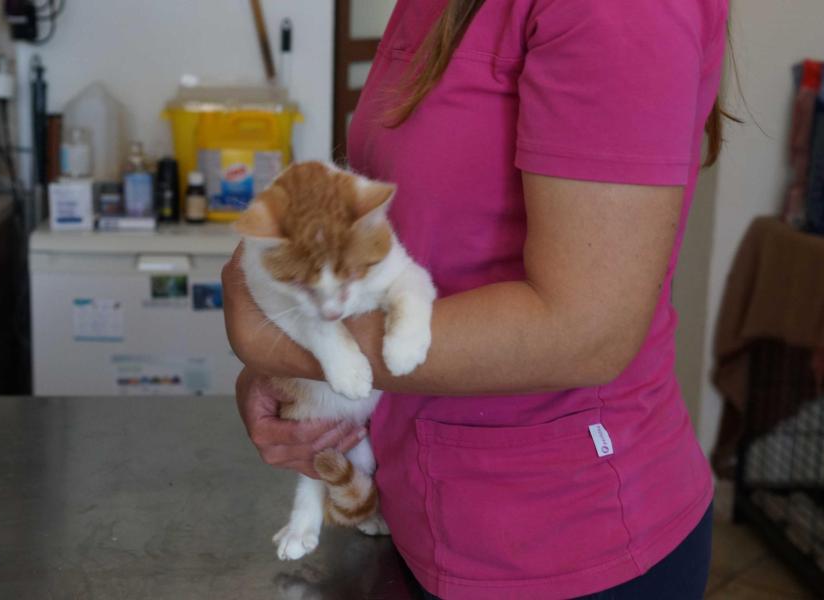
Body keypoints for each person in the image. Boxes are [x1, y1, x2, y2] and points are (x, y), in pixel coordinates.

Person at [223, 0, 729, 598]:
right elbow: (386, 238)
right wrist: (299, 376)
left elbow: (585, 332)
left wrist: (274, 343)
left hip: (561, 538)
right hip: (416, 503)